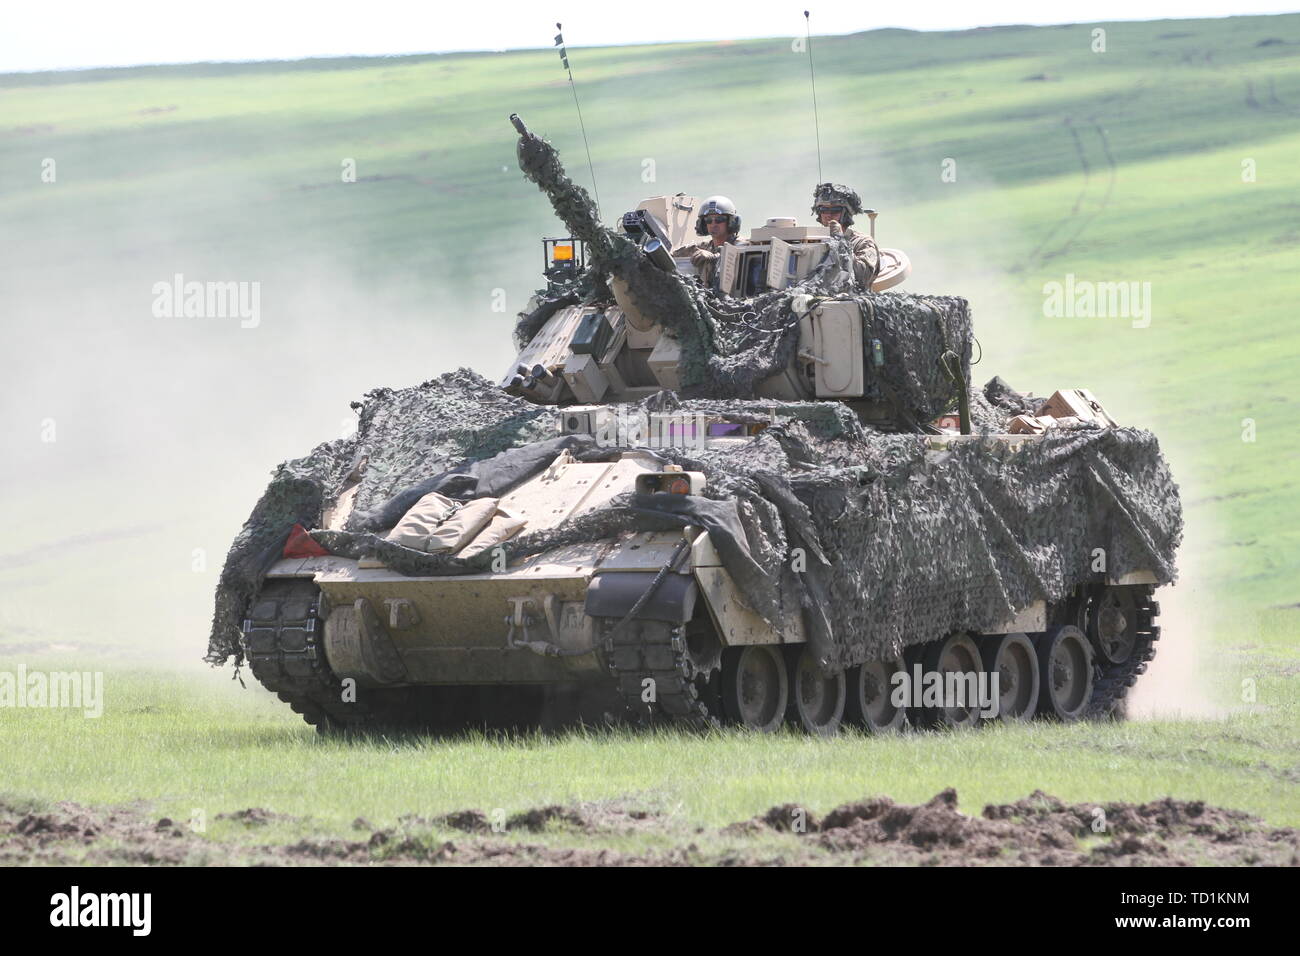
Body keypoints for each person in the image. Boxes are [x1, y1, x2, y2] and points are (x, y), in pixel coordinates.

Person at [812, 183, 880, 290]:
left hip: (850, 300)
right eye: (824, 210)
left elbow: (861, 277)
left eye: (835, 211)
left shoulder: (862, 242)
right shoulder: (812, 240)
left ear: (846, 213)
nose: (828, 215)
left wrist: (840, 241)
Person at [672, 195, 745, 288]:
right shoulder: (705, 246)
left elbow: (737, 257)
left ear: (731, 222)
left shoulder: (740, 243)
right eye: (708, 220)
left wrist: (713, 257)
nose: (713, 224)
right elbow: (673, 255)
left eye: (719, 219)